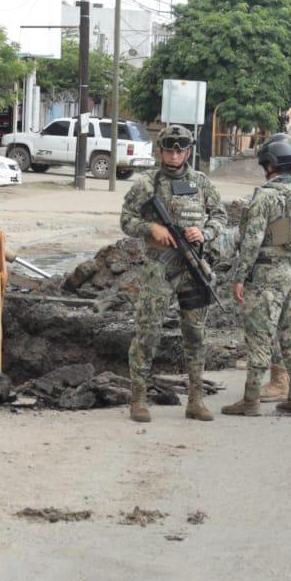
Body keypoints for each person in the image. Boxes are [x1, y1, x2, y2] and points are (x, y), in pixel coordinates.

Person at [120, 123, 227, 423]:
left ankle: (196, 399)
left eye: (180, 150)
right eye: (169, 149)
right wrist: (150, 228)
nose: (175, 155)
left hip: (192, 268)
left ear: (188, 152)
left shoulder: (201, 183)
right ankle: (138, 399)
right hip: (159, 268)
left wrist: (204, 233)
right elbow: (126, 220)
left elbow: (220, 217)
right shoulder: (146, 184)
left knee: (195, 334)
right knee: (148, 331)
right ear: (161, 151)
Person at [223, 138, 291, 417]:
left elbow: (251, 241)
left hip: (268, 274)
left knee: (260, 337)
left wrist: (240, 276)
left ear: (269, 165)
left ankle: (251, 400)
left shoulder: (266, 196)